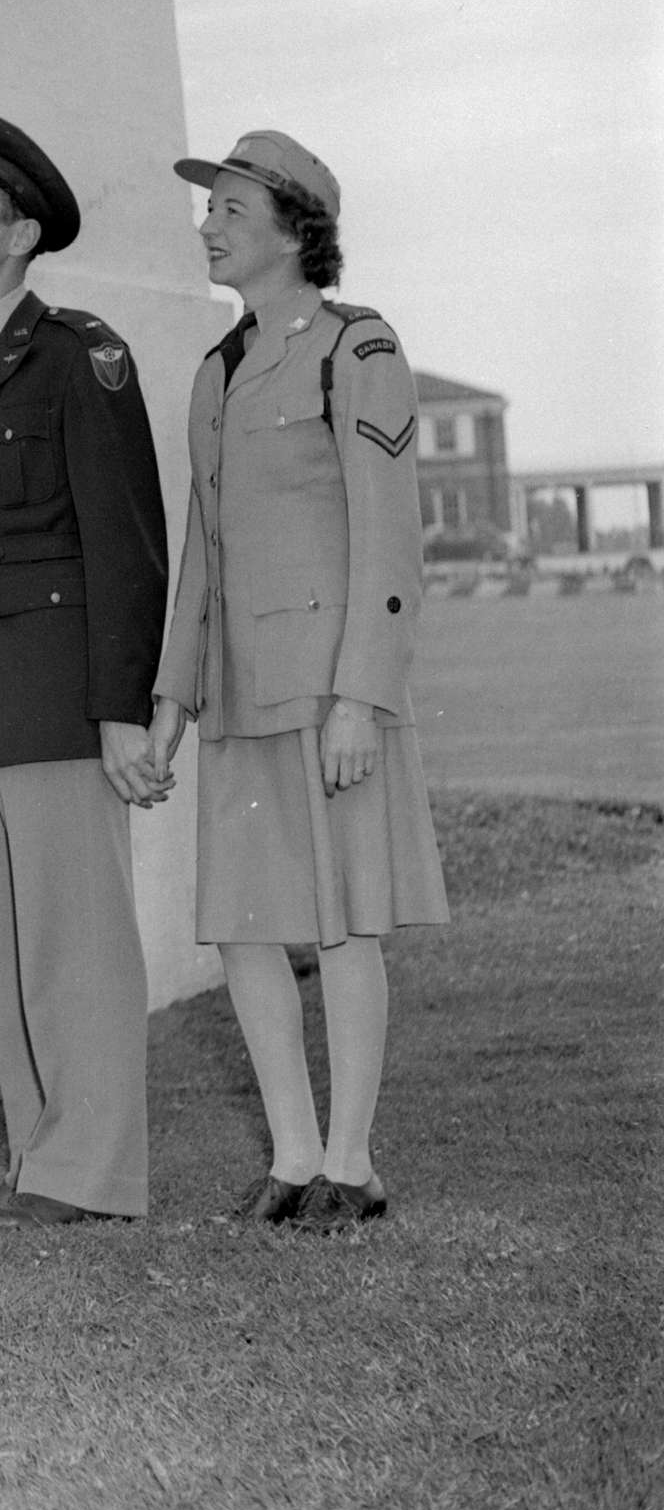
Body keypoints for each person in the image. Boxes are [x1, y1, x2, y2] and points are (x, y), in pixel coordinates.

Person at [146, 132, 447, 1231]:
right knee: (243, 926)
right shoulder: (216, 371)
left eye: (230, 206)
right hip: (235, 691)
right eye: (208, 208)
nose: (210, 224)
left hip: (328, 693)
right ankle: (292, 1153)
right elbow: (202, 555)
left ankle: (354, 1164)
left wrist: (364, 696)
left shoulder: (357, 347)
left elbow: (389, 539)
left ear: (293, 225)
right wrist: (169, 708)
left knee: (346, 923)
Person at [0, 111, 172, 1230]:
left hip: (64, 695)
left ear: (20, 235)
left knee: (78, 943)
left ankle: (93, 1171)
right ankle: (40, 1161)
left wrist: (124, 707)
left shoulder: (77, 355)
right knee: (13, 945)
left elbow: (128, 539)